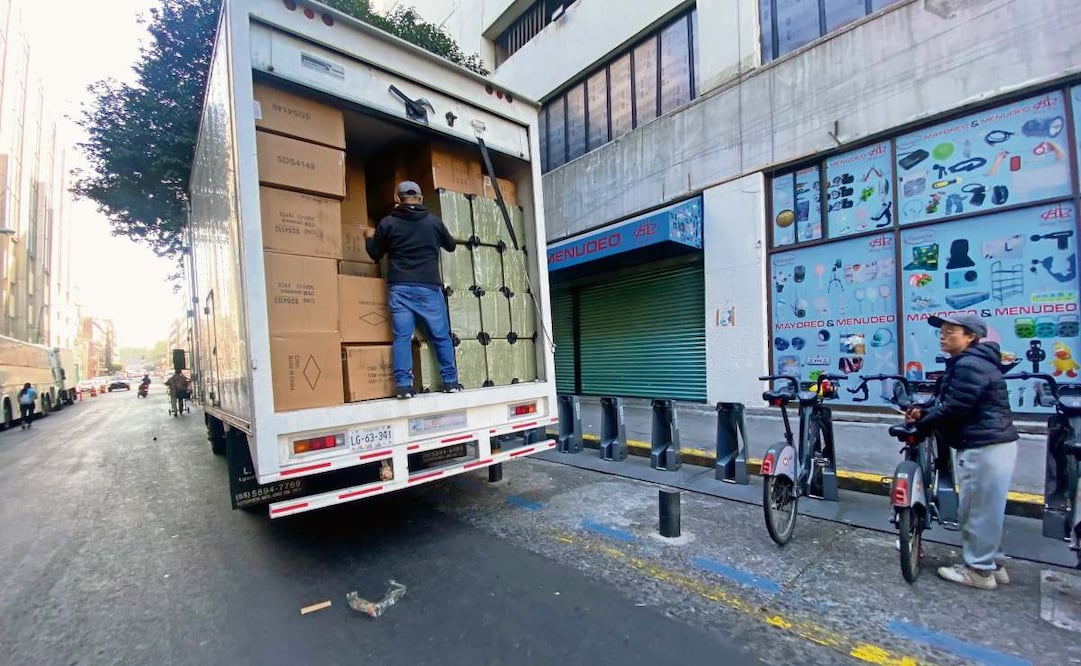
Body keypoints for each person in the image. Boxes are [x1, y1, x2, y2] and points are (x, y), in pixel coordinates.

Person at [905, 314, 1017, 590]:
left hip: (984, 445)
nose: (943, 336)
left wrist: (921, 424)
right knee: (985, 509)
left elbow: (956, 407)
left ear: (970, 337)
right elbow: (949, 401)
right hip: (988, 442)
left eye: (951, 331)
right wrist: (926, 411)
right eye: (942, 331)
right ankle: (993, 562)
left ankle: (979, 571)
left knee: (976, 510)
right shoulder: (968, 363)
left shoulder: (970, 365)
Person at [365, 180, 461, 399]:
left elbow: (375, 253)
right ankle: (450, 382)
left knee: (402, 337)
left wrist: (369, 237)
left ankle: (403, 386)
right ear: (421, 199)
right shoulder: (433, 223)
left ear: (398, 199)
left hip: (400, 289)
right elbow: (451, 245)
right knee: (441, 336)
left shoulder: (387, 223)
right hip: (428, 288)